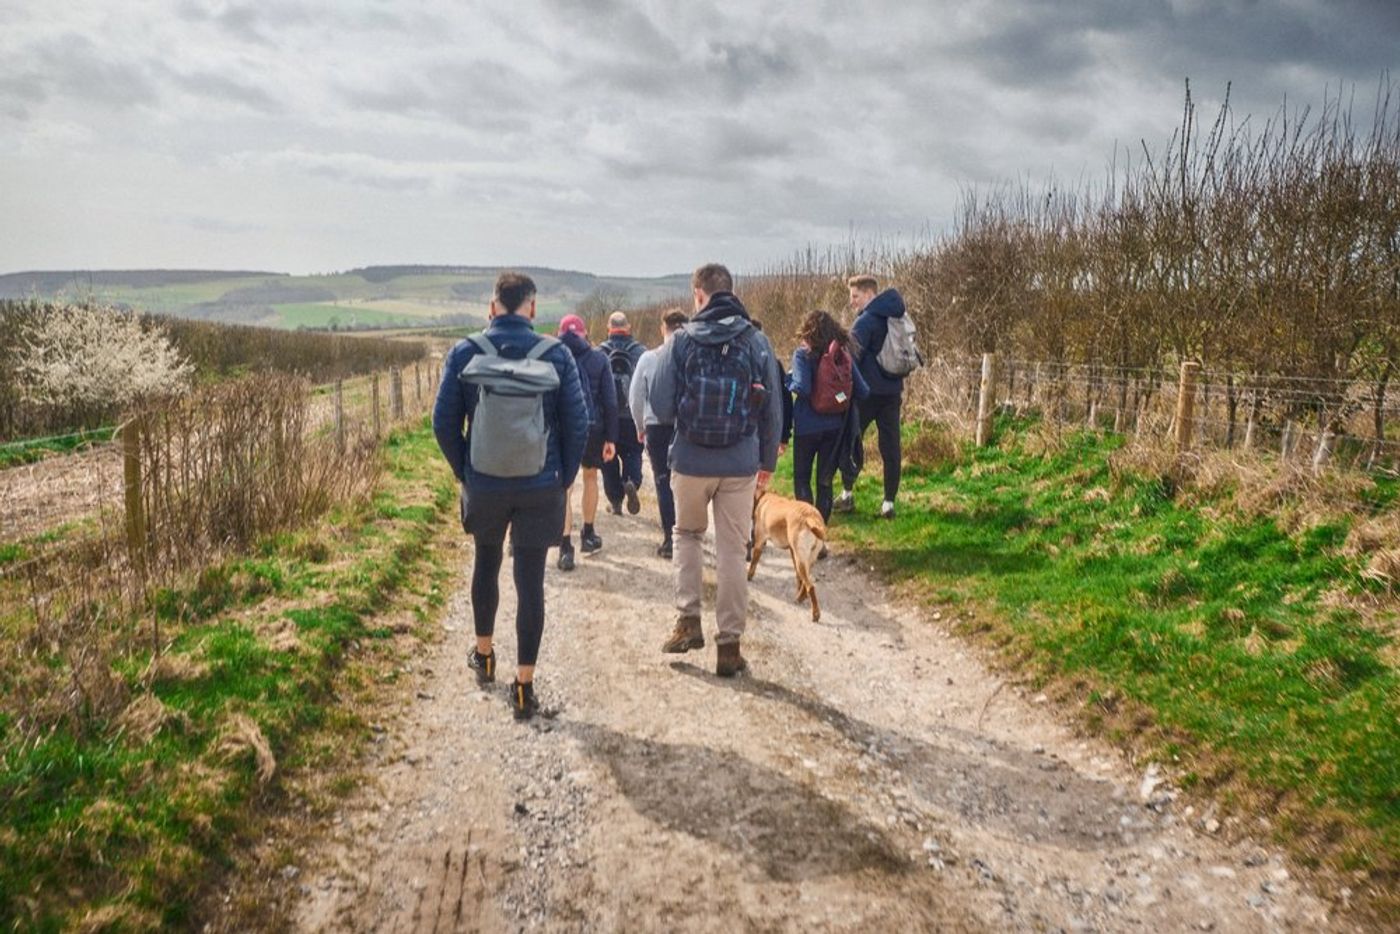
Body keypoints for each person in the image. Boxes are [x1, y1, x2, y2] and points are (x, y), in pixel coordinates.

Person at [432, 272, 587, 720]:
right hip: (540, 484)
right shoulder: (556, 355)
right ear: (532, 307)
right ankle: (524, 685)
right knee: (530, 581)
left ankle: (483, 655)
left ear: (493, 305)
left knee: (486, 562)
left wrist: (466, 471)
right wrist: (562, 478)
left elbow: (443, 422)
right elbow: (578, 424)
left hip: (485, 483)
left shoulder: (466, 352)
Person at [649, 263, 784, 677]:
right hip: (740, 463)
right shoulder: (756, 340)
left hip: (690, 460)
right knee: (731, 550)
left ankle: (688, 621)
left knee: (687, 535)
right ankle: (729, 646)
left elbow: (660, 404)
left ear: (699, 295)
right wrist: (767, 462)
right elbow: (773, 409)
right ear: (731, 292)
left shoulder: (681, 340)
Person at [836, 274, 909, 519]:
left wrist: (842, 391)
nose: (852, 302)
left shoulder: (866, 320)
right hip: (892, 393)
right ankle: (888, 503)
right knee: (891, 447)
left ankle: (847, 494)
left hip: (866, 395)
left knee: (851, 442)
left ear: (869, 294)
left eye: (855, 296)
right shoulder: (896, 315)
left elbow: (849, 359)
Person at [789, 309, 870, 522]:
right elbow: (863, 391)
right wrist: (841, 395)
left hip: (806, 428)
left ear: (808, 331)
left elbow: (803, 388)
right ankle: (820, 528)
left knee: (802, 479)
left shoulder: (802, 355)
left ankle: (807, 526)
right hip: (835, 428)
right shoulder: (842, 357)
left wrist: (788, 382)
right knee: (824, 482)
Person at [555, 314, 618, 570]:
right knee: (590, 477)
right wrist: (611, 438)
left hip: (562, 428)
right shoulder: (599, 359)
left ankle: (564, 546)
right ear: (585, 334)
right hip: (592, 428)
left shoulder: (554, 357)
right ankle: (588, 534)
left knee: (565, 487)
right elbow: (610, 401)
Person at [629, 307, 688, 559]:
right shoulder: (692, 357)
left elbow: (635, 397)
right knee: (686, 483)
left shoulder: (648, 358)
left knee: (663, 482)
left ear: (663, 328)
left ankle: (669, 539)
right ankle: (688, 536)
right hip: (685, 426)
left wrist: (639, 426)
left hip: (655, 426)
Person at [599, 311, 646, 516]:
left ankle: (616, 501)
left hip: (607, 416)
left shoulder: (600, 352)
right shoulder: (641, 352)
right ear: (628, 328)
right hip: (632, 415)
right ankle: (631, 481)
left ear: (609, 329)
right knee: (633, 453)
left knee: (608, 458)